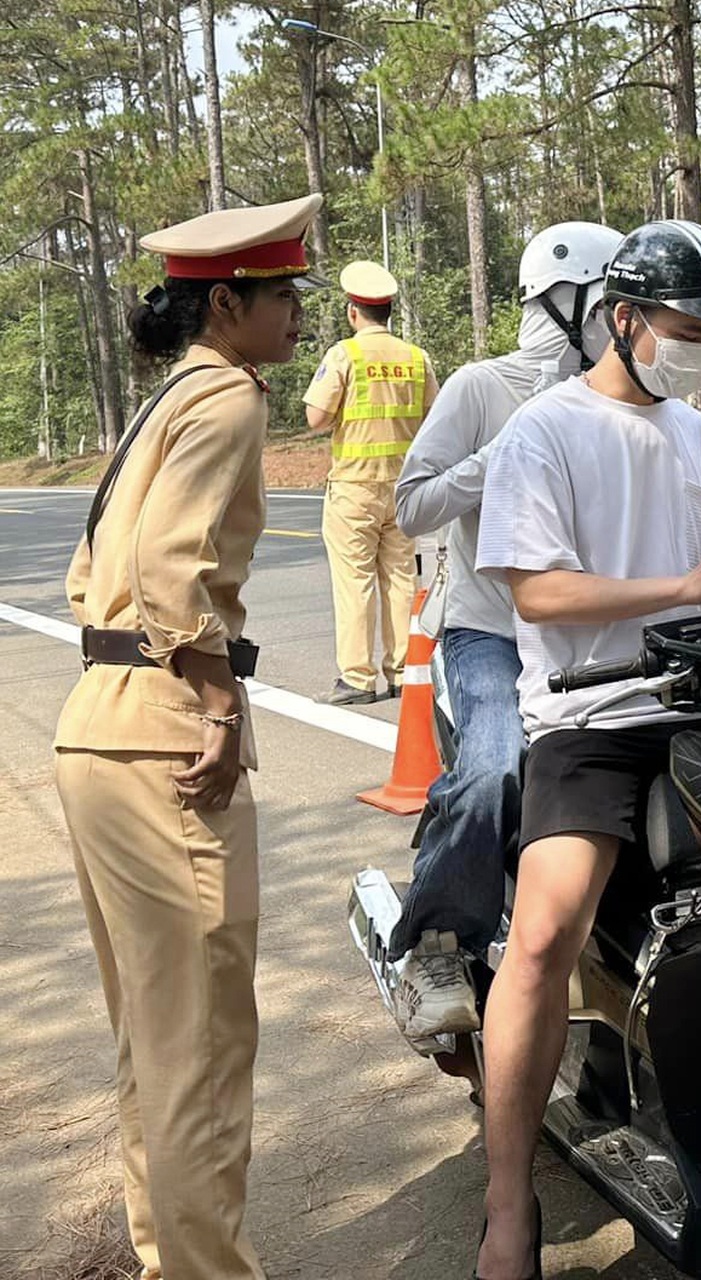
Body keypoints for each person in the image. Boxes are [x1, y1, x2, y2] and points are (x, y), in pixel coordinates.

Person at [469, 219, 701, 1279]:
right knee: (545, 929)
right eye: (686, 327)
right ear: (625, 318)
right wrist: (680, 586)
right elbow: (537, 587)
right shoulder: (543, 432)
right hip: (589, 715)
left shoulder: (690, 429)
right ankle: (508, 1202)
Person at [55, 193, 321, 1280]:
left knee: (156, 1040)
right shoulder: (227, 400)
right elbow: (174, 577)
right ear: (228, 303)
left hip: (97, 728)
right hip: (168, 738)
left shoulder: (163, 399)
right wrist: (217, 703)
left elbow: (95, 574)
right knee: (203, 1049)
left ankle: (171, 1254)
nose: (297, 313)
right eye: (283, 295)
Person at [383, 221, 625, 1041]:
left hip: (586, 633)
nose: (623, 320)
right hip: (490, 631)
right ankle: (436, 942)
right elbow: (411, 505)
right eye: (612, 302)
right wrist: (499, 457)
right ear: (571, 301)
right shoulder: (481, 388)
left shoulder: (614, 396)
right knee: (493, 769)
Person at [304, 259, 439, 705]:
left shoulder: (344, 355)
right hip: (402, 488)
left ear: (352, 311)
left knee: (355, 581)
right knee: (401, 577)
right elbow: (434, 419)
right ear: (389, 311)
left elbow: (316, 418)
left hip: (354, 489)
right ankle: (403, 669)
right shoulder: (416, 358)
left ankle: (358, 678)